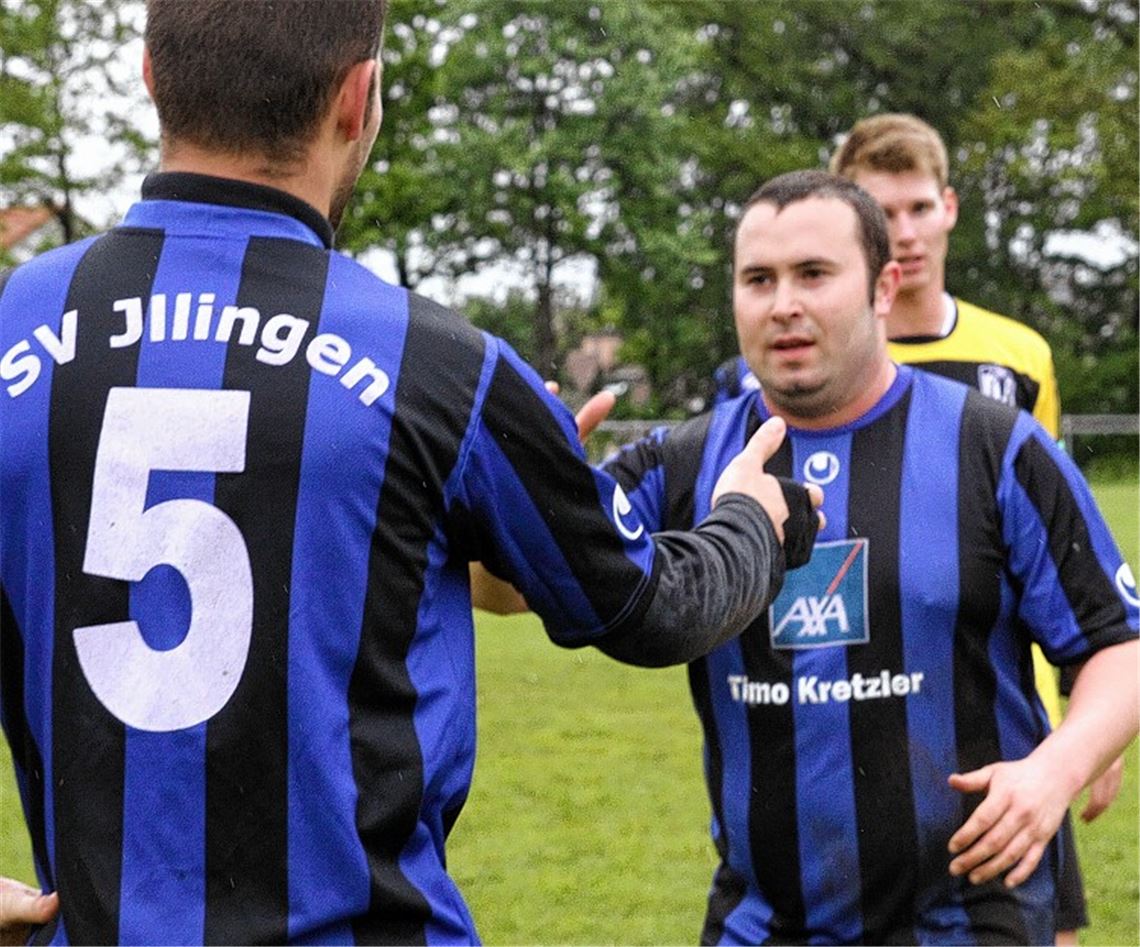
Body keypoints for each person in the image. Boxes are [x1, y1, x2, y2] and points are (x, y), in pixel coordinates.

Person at [0, 2, 821, 942]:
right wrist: (754, 518)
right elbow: (657, 607)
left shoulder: (15, 325)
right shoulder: (440, 366)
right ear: (360, 97)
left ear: (150, 75)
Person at [542, 170, 1137, 944]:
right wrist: (541, 486)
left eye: (814, 274)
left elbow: (1118, 643)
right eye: (759, 279)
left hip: (970, 915)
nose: (783, 302)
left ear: (883, 287)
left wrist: (1057, 769)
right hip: (765, 921)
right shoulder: (680, 464)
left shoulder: (995, 448)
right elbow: (507, 590)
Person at [828, 112, 1121, 944]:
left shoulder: (1017, 354)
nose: (905, 233)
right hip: (851, 705)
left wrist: (1089, 725)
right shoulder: (824, 359)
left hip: (1004, 710)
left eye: (920, 207)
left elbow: (1068, 549)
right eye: (883, 213)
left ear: (951, 208)